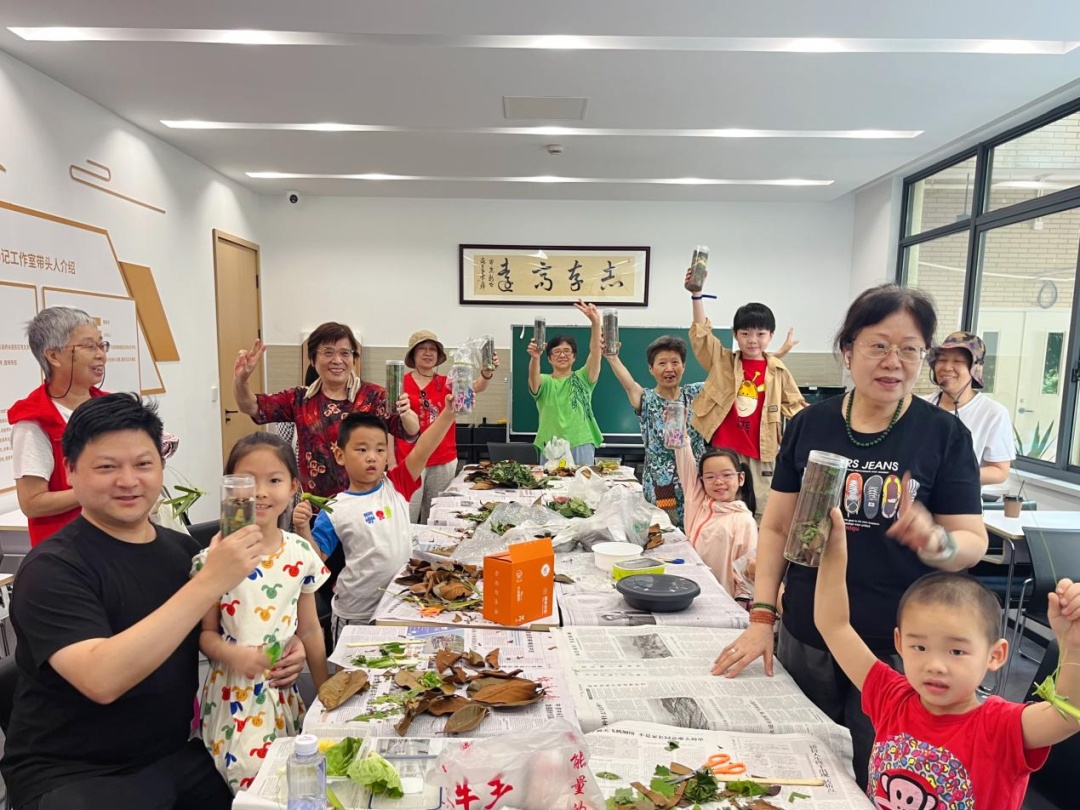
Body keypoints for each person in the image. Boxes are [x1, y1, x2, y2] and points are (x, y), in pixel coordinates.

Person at [710, 284, 988, 787]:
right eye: (879, 345)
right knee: (799, 769)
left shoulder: (943, 434)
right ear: (847, 349)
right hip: (808, 634)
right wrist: (762, 616)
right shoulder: (810, 425)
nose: (894, 362)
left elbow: (972, 540)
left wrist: (938, 543)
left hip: (899, 648)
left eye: (910, 349)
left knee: (878, 774)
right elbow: (776, 526)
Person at [0, 394, 305, 810]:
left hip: (175, 755)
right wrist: (209, 581)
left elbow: (231, 630)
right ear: (69, 471)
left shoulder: (182, 552)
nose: (128, 481)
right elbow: (102, 679)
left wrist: (287, 646)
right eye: (107, 467)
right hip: (74, 774)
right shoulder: (51, 569)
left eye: (143, 464)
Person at [815, 508, 1080, 809]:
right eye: (919, 647)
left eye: (956, 651)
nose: (935, 666)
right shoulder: (891, 697)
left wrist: (1073, 645)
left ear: (995, 655)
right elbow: (834, 626)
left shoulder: (999, 727)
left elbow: (1067, 716)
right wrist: (834, 548)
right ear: (900, 643)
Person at [195, 433, 330, 793]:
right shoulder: (215, 559)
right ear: (230, 488)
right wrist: (234, 655)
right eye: (247, 481)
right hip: (234, 692)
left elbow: (310, 629)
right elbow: (206, 635)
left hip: (282, 690)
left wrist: (324, 695)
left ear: (294, 487)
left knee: (290, 775)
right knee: (249, 776)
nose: (260, 492)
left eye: (274, 480)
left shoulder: (300, 553)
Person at [308, 396, 460, 640]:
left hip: (398, 605)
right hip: (355, 613)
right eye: (362, 449)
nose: (372, 457)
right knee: (351, 663)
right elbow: (315, 560)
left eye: (380, 450)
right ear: (340, 455)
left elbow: (424, 448)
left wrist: (448, 414)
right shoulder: (335, 508)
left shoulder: (396, 485)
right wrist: (301, 528)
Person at [232, 322, 420, 499]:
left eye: (345, 353)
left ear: (353, 359)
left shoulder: (374, 396)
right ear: (313, 359)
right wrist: (241, 381)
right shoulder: (300, 399)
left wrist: (406, 413)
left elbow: (411, 432)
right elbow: (253, 406)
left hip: (365, 505)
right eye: (328, 352)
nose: (337, 360)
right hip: (316, 508)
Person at [686, 270, 804, 518]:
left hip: (763, 454)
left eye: (760, 334)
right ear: (735, 335)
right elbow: (701, 337)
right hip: (725, 453)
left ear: (771, 336)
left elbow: (797, 408)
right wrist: (697, 295)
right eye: (745, 333)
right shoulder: (723, 362)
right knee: (722, 511)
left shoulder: (778, 371)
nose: (752, 340)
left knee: (762, 514)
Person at [9, 307, 108, 544]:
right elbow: (32, 503)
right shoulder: (35, 420)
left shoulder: (110, 406)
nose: (101, 355)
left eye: (102, 345)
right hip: (68, 549)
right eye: (89, 346)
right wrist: (98, 490)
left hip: (116, 540)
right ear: (53, 356)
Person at [604, 335, 706, 528]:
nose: (669, 368)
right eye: (662, 363)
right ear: (651, 369)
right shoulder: (647, 399)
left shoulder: (695, 393)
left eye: (675, 362)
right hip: (662, 485)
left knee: (698, 530)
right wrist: (612, 357)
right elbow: (628, 384)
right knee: (667, 530)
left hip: (697, 481)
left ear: (684, 366)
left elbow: (724, 380)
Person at [397, 330, 498, 523]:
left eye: (432, 349)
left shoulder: (447, 382)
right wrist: (391, 461)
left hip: (442, 459)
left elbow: (476, 387)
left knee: (436, 515)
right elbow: (390, 423)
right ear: (413, 354)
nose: (428, 353)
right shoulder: (401, 383)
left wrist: (486, 373)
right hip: (408, 459)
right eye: (422, 349)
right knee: (405, 515)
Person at [924, 331, 1015, 486]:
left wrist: (950, 475)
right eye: (942, 360)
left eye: (958, 361)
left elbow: (1000, 471)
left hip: (961, 499)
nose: (947, 367)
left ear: (976, 369)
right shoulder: (920, 406)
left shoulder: (993, 413)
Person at [675, 441, 758, 603]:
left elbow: (746, 570)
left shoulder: (744, 521)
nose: (718, 482)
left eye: (727, 475)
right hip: (690, 593)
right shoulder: (698, 503)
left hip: (722, 600)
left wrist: (741, 604)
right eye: (710, 477)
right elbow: (684, 459)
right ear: (702, 480)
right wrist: (680, 435)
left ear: (741, 478)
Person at [528, 301, 603, 465]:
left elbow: (596, 352)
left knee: (582, 481)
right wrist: (535, 358)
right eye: (556, 352)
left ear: (574, 357)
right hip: (550, 445)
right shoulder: (545, 381)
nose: (562, 355)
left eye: (567, 351)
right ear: (549, 358)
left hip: (581, 441)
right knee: (550, 482)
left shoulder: (583, 378)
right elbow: (533, 380)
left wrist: (596, 323)